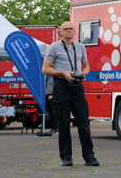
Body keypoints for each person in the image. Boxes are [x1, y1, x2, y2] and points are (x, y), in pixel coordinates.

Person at [42, 22, 98, 167]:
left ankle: (89, 157)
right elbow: (45, 69)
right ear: (60, 32)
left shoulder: (80, 47)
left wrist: (83, 74)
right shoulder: (54, 47)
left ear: (74, 31)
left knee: (84, 122)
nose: (68, 31)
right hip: (61, 86)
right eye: (65, 29)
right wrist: (62, 73)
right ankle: (66, 157)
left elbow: (86, 66)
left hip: (77, 86)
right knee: (64, 123)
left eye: (70, 29)